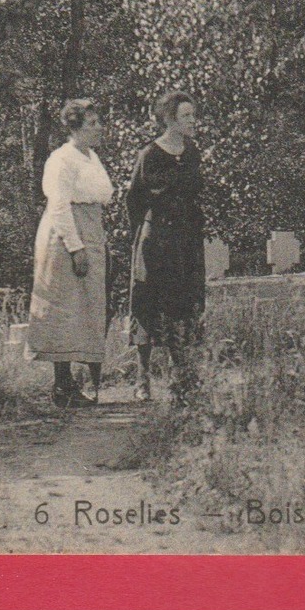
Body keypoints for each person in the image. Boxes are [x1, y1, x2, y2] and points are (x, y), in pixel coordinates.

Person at [28, 99, 113, 408]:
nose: (99, 128)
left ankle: (71, 386)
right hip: (65, 235)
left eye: (98, 122)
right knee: (64, 305)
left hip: (90, 229)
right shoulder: (61, 159)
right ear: (75, 127)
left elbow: (99, 196)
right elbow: (60, 205)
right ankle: (61, 385)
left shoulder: (90, 157)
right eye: (92, 124)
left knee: (85, 306)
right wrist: (75, 248)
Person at [125, 90, 206, 401]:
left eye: (193, 115)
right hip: (156, 241)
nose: (193, 121)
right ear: (170, 119)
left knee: (183, 305)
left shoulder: (192, 152)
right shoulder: (150, 155)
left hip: (186, 242)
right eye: (186, 116)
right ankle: (142, 377)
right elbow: (134, 200)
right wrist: (143, 237)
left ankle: (181, 376)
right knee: (148, 306)